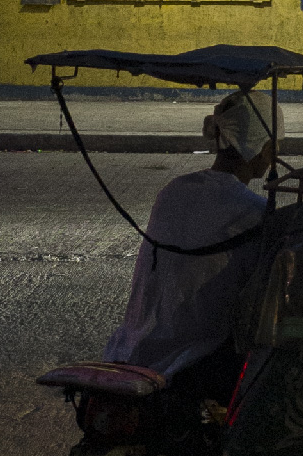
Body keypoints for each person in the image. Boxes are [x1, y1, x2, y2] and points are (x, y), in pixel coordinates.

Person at [102, 90, 284, 405]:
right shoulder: (253, 212)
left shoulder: (174, 191)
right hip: (192, 360)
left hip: (131, 347)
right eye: (273, 145)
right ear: (261, 146)